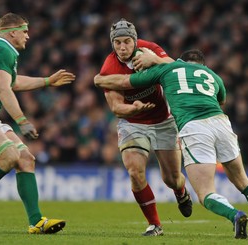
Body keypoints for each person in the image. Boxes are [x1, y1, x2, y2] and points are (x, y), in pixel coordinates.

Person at [94, 49, 248, 239]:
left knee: (205, 193)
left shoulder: (167, 70)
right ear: (202, 65)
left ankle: (235, 215)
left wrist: (99, 79)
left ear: (180, 60)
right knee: (243, 182)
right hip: (221, 123)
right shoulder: (212, 75)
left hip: (194, 127)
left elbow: (126, 82)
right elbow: (221, 99)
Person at [0, 12, 76, 234]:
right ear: (13, 33)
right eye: (25, 31)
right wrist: (22, 121)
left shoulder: (3, 51)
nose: (28, 36)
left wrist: (47, 81)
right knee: (9, 155)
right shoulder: (2, 49)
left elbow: (13, 82)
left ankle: (36, 221)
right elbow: (3, 89)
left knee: (26, 158)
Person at [98, 18, 192, 236]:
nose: (122, 47)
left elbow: (178, 68)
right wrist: (134, 108)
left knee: (171, 178)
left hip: (163, 120)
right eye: (118, 43)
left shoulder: (150, 49)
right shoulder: (109, 67)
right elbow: (116, 107)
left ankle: (181, 191)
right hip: (133, 123)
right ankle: (155, 224)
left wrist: (155, 61)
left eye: (127, 42)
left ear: (135, 40)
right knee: (134, 170)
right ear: (112, 43)